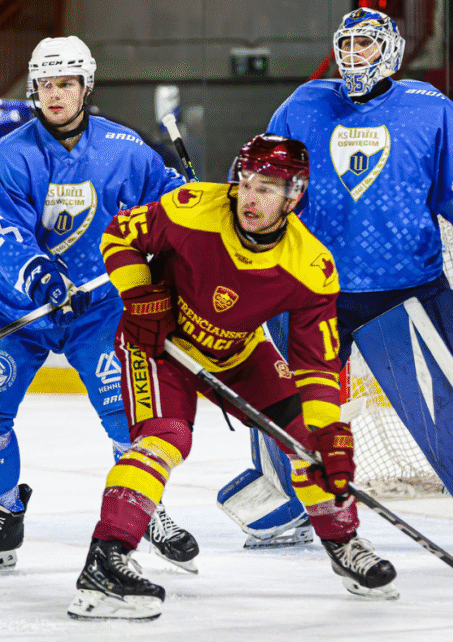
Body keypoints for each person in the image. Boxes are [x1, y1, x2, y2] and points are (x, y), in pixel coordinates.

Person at [224, 7, 453, 554]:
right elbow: (267, 179)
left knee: (439, 402)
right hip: (311, 285)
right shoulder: (304, 104)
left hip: (404, 286)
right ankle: (288, 501)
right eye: (346, 44)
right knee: (286, 401)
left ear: (390, 50)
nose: (353, 55)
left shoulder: (430, 108)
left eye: (365, 44)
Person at [67, 134, 397, 621]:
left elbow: (317, 365)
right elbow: (119, 235)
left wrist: (327, 430)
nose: (249, 198)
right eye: (246, 183)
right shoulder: (191, 209)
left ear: (294, 196)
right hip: (161, 343)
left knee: (307, 439)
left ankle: (343, 542)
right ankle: (106, 559)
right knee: (166, 437)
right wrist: (139, 295)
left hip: (237, 352)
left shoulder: (311, 266)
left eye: (267, 189)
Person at [0, 36, 199, 576]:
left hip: (100, 310)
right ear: (34, 90)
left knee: (128, 416)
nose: (55, 94)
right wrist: (39, 274)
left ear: (86, 86)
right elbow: (4, 229)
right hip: (19, 310)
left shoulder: (125, 148)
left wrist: (192, 206)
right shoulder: (12, 153)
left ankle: (144, 508)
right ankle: (2, 515)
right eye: (46, 84)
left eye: (66, 83)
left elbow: (168, 204)